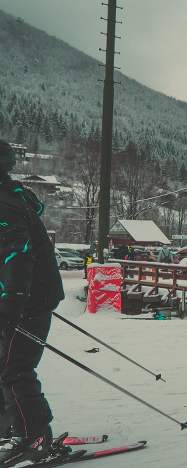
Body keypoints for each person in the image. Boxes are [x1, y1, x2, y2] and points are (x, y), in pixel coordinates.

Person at [0, 140, 62, 465]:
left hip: (26, 303)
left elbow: (17, 258)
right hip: (23, 298)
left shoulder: (5, 205)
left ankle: (33, 436)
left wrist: (11, 305)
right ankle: (10, 429)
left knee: (14, 367)